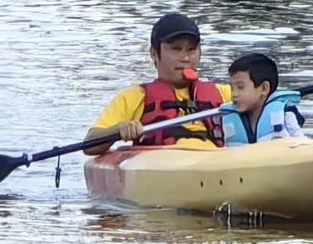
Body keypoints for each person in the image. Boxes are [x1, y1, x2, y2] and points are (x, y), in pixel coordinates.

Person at [83, 12, 232, 155]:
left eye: (192, 49)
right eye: (176, 49)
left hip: (215, 161)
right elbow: (89, 145)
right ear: (154, 54)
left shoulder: (226, 94)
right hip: (162, 166)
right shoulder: (135, 96)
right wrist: (118, 130)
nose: (186, 58)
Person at [222, 53, 305, 146]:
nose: (234, 94)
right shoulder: (226, 118)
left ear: (264, 88)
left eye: (240, 87)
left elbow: (301, 143)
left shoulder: (285, 115)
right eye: (232, 88)